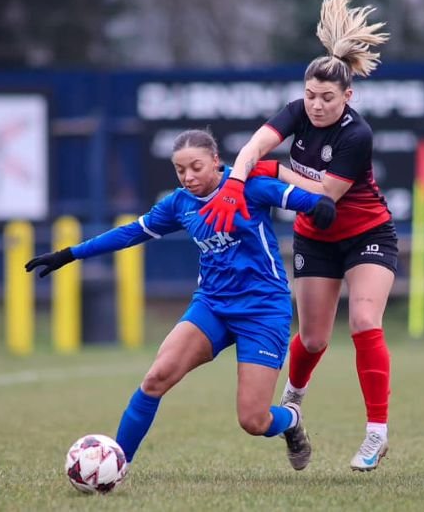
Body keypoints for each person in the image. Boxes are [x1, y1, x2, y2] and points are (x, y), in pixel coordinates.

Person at [25, 129, 337, 472]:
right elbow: (129, 233)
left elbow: (308, 200)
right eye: (180, 170)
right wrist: (69, 254)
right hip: (213, 306)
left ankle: (290, 419)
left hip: (262, 310)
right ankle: (115, 465)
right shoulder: (179, 203)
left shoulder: (248, 186)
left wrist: (321, 207)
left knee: (253, 420)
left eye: (196, 167)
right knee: (156, 378)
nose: (188, 177)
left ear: (216, 162)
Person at [198, 0, 396, 472]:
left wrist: (278, 171)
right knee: (311, 340)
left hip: (368, 233)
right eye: (310, 95)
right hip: (316, 239)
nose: (316, 105)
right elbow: (252, 147)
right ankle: (295, 397)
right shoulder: (296, 110)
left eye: (327, 98)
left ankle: (376, 433)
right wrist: (237, 182)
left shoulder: (357, 133)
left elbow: (325, 195)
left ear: (347, 97)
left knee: (365, 323)